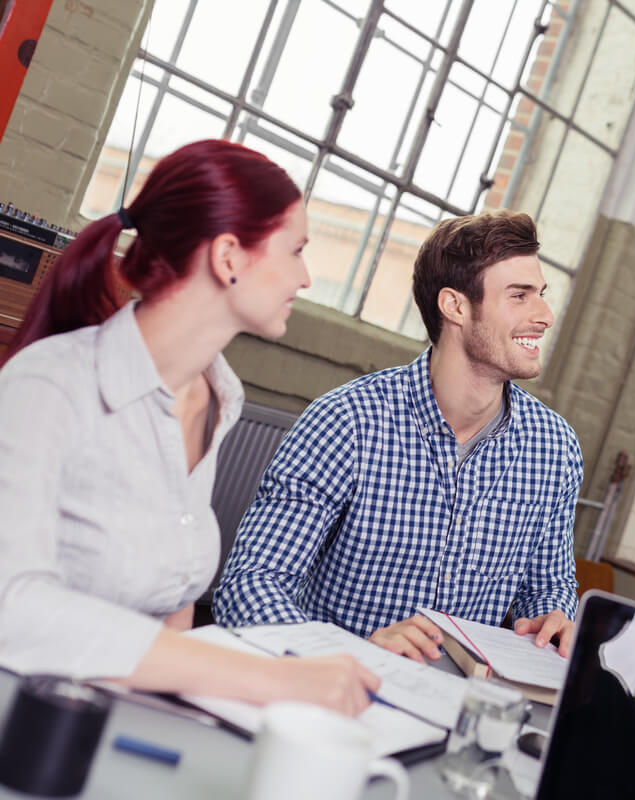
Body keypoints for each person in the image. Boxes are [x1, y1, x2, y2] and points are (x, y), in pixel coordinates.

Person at [0, 140, 379, 715]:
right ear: (228, 257)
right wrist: (268, 678)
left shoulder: (213, 396)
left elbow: (172, 604)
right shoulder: (50, 384)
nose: (305, 279)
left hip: (112, 721)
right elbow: (12, 607)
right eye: (296, 250)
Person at [213, 210, 583, 661]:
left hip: (457, 695)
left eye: (541, 295)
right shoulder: (346, 422)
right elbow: (250, 585)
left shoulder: (555, 449)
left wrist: (551, 618)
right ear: (456, 307)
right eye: (520, 296)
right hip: (337, 682)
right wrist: (348, 652)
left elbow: (547, 586)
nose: (545, 316)